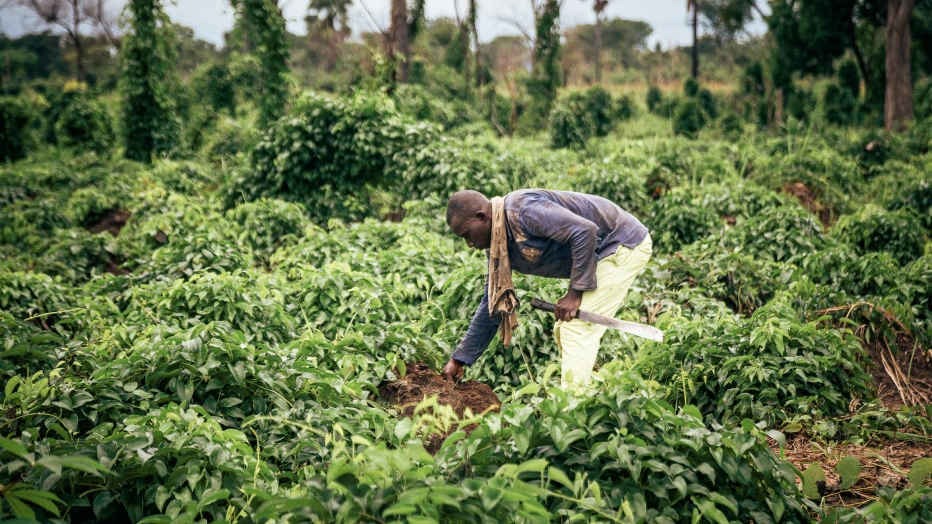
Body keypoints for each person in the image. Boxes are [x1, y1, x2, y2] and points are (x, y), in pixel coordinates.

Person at [440, 189, 653, 389]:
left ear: (482, 217)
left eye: (467, 234)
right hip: (601, 253)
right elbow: (492, 304)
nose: (468, 244)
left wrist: (574, 294)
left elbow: (584, 232)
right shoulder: (497, 248)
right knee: (565, 328)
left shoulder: (521, 210)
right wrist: (460, 359)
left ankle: (572, 409)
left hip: (621, 243)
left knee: (576, 329)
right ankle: (583, 391)